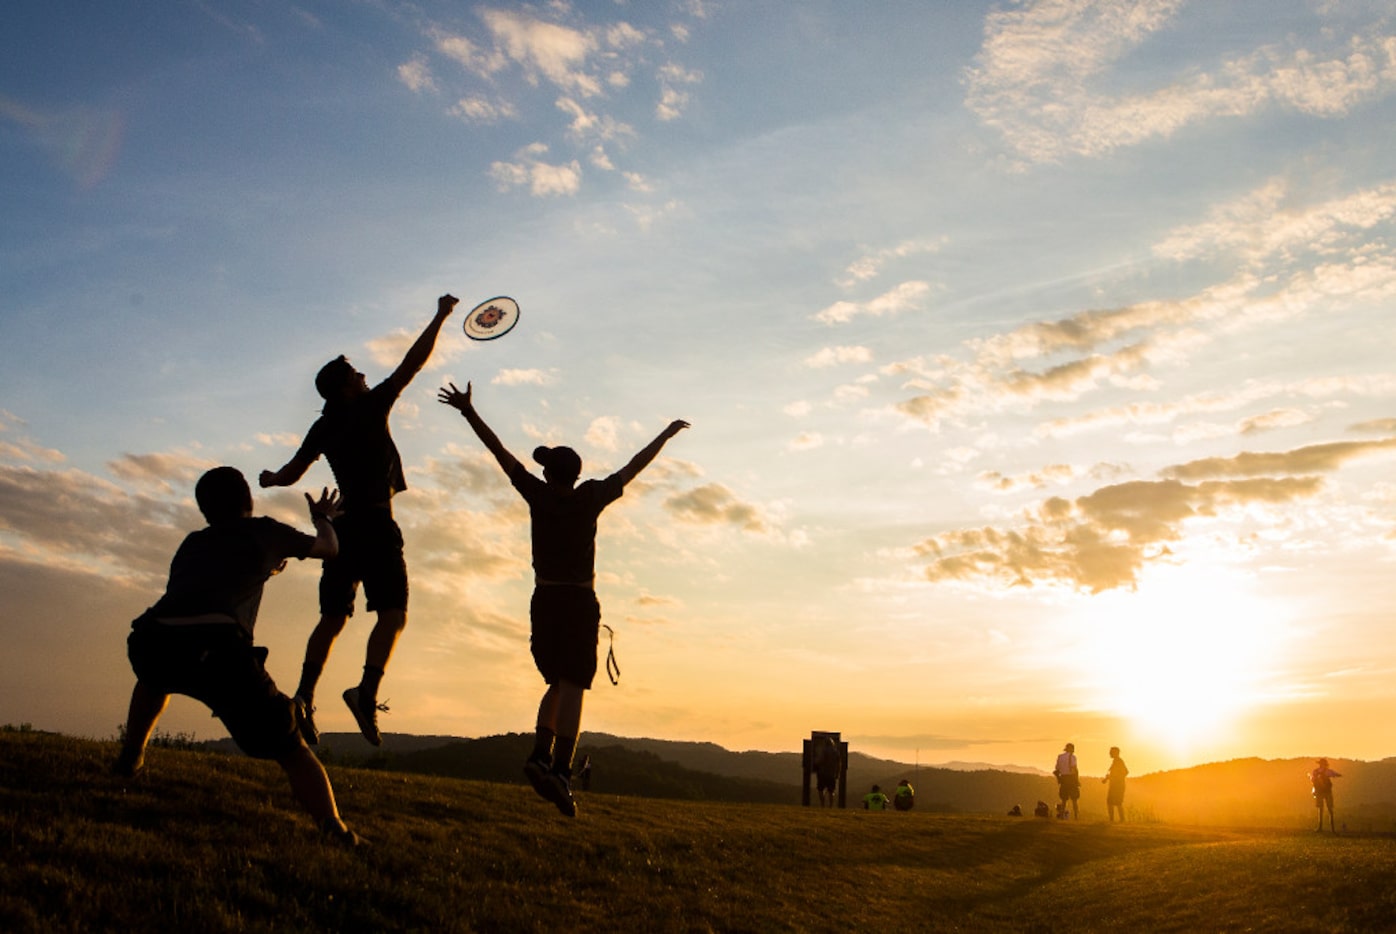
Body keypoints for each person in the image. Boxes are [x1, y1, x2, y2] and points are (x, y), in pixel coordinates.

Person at [438, 380, 688, 818]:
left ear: (548, 474)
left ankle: (539, 756)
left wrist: (468, 412)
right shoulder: (589, 497)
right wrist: (664, 436)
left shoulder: (536, 495)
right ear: (573, 474)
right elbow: (633, 467)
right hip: (577, 602)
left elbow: (499, 453)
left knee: (556, 681)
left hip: (543, 600)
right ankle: (561, 770)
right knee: (574, 686)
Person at [113, 467, 358, 844]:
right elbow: (329, 548)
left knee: (153, 679)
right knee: (291, 745)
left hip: (152, 639)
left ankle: (131, 758)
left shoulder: (192, 542)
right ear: (248, 499)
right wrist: (323, 519)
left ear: (205, 510)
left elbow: (203, 589)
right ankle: (334, 828)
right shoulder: (264, 530)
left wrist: (265, 570)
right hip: (221, 653)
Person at [261, 294, 459, 746]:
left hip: (343, 528)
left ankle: (304, 696)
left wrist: (272, 479)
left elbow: (291, 472)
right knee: (393, 614)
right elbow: (413, 362)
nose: (365, 376)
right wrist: (441, 315)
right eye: (356, 373)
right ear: (346, 386)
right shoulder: (369, 408)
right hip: (374, 523)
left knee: (333, 617)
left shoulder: (324, 426)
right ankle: (364, 693)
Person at [1311, 757, 1342, 832]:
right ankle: (1332, 828)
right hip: (1327, 792)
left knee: (1320, 809)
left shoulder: (1315, 771)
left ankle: (1320, 827)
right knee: (1330, 809)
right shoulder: (1328, 771)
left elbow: (1312, 780)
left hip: (1319, 792)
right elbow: (1336, 774)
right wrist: (1340, 775)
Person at [1053, 742, 1080, 819]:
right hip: (1071, 779)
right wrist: (1077, 780)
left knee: (1064, 799)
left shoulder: (1060, 757)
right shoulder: (1073, 757)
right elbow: (1074, 768)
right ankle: (1076, 816)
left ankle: (1061, 816)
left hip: (1063, 778)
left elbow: (1057, 768)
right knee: (1074, 799)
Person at [812, 734, 840, 808]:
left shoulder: (824, 751)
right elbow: (838, 764)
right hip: (832, 774)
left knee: (820, 789)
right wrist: (837, 773)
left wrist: (815, 763)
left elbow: (820, 760)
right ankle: (830, 805)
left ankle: (822, 804)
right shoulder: (836, 752)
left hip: (822, 773)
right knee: (831, 791)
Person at [1102, 746, 1129, 823]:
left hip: (1118, 785)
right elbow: (1115, 774)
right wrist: (1107, 779)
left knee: (1117, 802)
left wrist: (1115, 779)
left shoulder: (1119, 761)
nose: (1109, 753)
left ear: (1115, 753)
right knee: (1111, 802)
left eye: (1111, 752)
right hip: (1114, 785)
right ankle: (1113, 819)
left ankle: (1119, 819)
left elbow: (1126, 772)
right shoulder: (1115, 761)